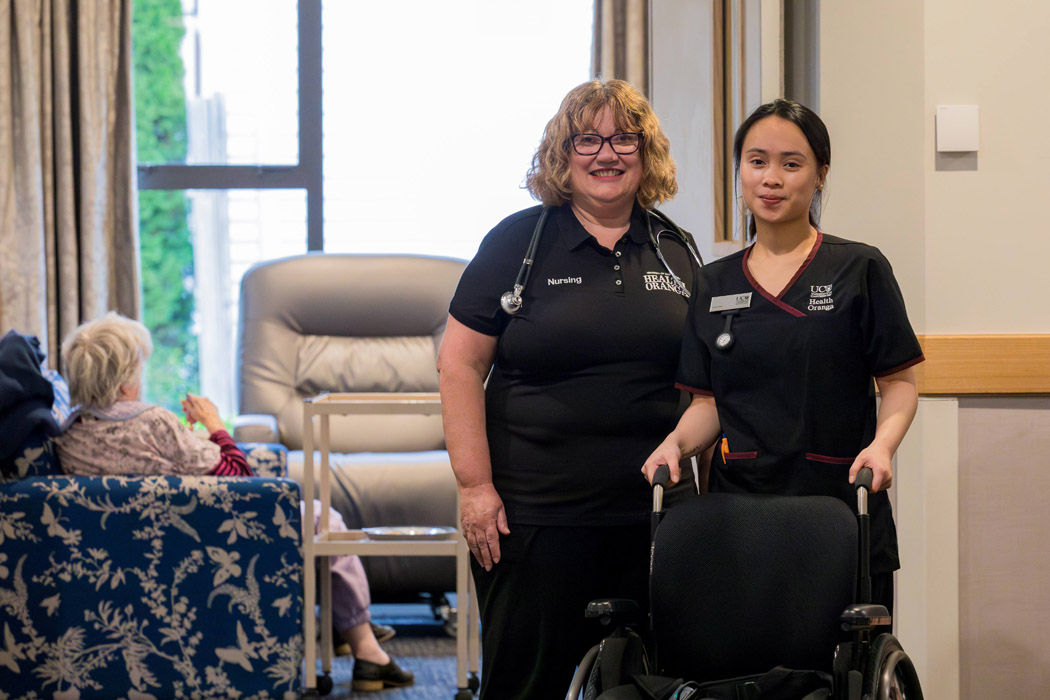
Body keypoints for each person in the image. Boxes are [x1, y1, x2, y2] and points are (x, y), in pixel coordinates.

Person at [437, 79, 700, 699]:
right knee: (528, 685)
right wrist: (475, 487)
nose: (606, 154)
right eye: (588, 139)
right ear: (563, 153)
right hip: (535, 519)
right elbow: (459, 367)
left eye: (623, 139)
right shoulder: (517, 243)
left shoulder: (675, 249)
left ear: (647, 152)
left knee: (645, 686)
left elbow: (702, 386)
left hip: (653, 515)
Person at [642, 99, 923, 611]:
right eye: (757, 161)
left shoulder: (859, 268)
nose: (771, 179)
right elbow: (707, 405)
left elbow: (899, 383)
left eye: (791, 164)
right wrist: (674, 445)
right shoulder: (713, 281)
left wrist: (882, 447)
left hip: (840, 503)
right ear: (740, 172)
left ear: (820, 176)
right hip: (741, 515)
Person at [53, 311, 413, 692]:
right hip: (213, 542)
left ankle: (351, 628)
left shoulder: (70, 433)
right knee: (326, 519)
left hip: (134, 554)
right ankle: (366, 648)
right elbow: (238, 477)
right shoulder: (153, 421)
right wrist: (215, 424)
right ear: (126, 380)